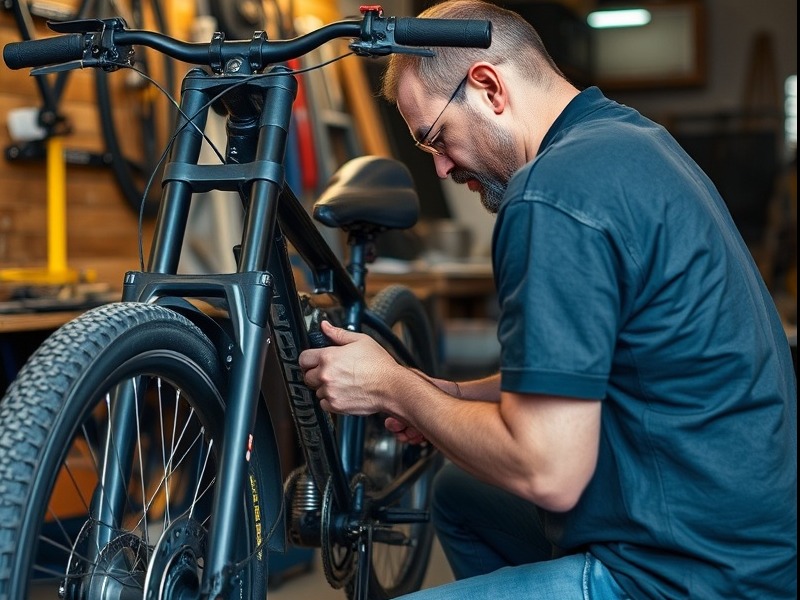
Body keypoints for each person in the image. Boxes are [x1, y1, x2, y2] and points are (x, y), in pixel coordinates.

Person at [299, 1, 798, 598]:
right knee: (458, 494)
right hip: (747, 536)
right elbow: (602, 360)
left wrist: (391, 386)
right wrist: (449, 394)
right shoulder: (629, 140)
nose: (440, 168)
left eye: (436, 138)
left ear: (488, 88)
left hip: (688, 573)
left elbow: (547, 471)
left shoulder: (551, 196)